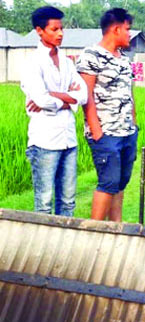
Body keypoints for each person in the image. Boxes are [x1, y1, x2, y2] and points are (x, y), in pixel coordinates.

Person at [20, 6, 87, 217]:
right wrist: (68, 97)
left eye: (61, 28)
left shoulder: (67, 63)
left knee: (68, 201)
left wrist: (55, 95)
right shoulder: (33, 63)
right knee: (44, 202)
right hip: (45, 141)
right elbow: (40, 98)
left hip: (68, 139)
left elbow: (83, 94)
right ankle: (44, 249)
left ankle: (65, 247)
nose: (60, 34)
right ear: (39, 31)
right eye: (54, 29)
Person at [76, 8, 138, 222]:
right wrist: (97, 132)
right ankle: (95, 231)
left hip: (127, 131)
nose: (129, 35)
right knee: (108, 182)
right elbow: (87, 95)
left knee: (120, 182)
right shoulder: (91, 56)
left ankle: (116, 229)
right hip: (106, 132)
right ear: (116, 29)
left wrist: (134, 125)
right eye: (127, 30)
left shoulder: (124, 60)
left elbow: (129, 93)